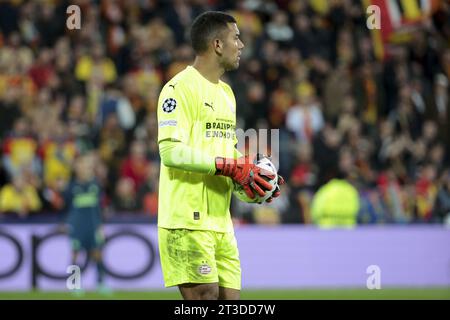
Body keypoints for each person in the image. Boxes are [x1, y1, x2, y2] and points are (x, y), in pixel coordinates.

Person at [156, 11, 284, 300]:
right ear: (216, 44)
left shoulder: (227, 93)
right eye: (235, 38)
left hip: (220, 222)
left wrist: (250, 181)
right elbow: (170, 151)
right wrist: (230, 167)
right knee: (206, 298)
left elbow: (224, 154)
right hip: (187, 220)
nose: (241, 45)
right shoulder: (178, 89)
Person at [63, 152, 107, 293]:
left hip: (93, 225)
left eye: (87, 166)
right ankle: (74, 285)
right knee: (75, 254)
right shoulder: (71, 187)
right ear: (77, 168)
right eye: (82, 166)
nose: (85, 169)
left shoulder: (95, 185)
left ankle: (101, 284)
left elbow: (99, 208)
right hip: (77, 226)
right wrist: (67, 223)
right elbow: (65, 208)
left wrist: (100, 225)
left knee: (97, 253)